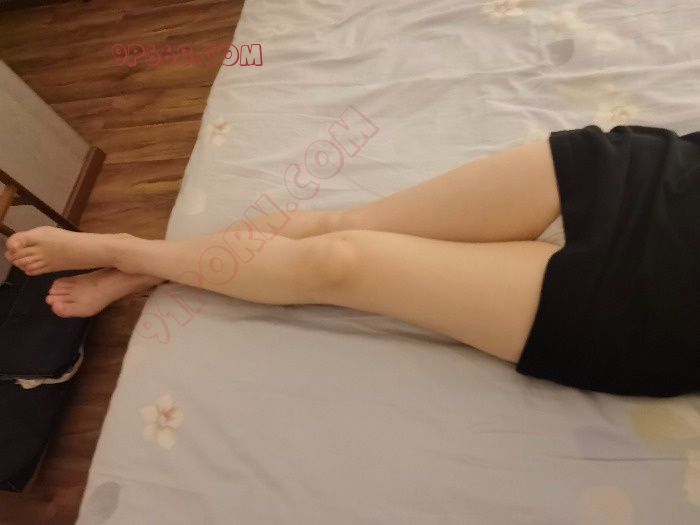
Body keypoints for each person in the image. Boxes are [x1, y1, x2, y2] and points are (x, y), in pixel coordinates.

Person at [4, 125, 699, 397]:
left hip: (659, 310)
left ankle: (126, 252)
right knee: (344, 221)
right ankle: (152, 265)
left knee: (340, 258)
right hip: (660, 180)